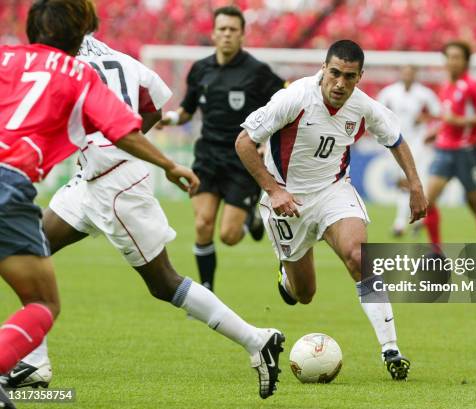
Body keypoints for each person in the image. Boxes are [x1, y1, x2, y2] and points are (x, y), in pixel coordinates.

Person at [4, 34, 285, 400]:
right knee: (31, 250)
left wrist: (117, 145)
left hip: (115, 186)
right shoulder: (113, 55)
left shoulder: (63, 64)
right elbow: (153, 102)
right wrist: (119, 138)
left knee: (164, 283)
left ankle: (257, 339)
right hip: (90, 180)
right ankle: (34, 363)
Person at [0, 1, 198, 407]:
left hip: (329, 198)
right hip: (18, 186)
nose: (341, 81)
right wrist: (169, 163)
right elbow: (127, 126)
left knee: (219, 233)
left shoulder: (7, 57)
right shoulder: (80, 75)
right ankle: (257, 336)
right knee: (43, 301)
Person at [235, 40, 428, 380]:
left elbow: (395, 139)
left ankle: (391, 349)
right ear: (324, 69)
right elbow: (244, 143)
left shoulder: (363, 106)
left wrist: (415, 184)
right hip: (287, 201)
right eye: (335, 73)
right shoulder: (294, 98)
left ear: (360, 77)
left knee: (358, 256)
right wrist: (274, 189)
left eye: (349, 77)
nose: (340, 83)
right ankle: (286, 274)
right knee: (303, 294)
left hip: (332, 191)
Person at [157, 6, 286, 291]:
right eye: (222, 29)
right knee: (203, 224)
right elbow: (188, 110)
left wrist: (267, 141)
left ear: (242, 35)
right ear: (214, 34)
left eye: (233, 30)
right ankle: (206, 293)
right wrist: (171, 118)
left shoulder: (257, 72)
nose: (227, 34)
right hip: (207, 157)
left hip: (242, 160)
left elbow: (286, 104)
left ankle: (250, 220)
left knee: (228, 235)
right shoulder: (200, 69)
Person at [422, 40, 476, 254]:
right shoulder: (446, 87)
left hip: (466, 152)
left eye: (457, 57)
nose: (452, 61)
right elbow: (448, 118)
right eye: (449, 57)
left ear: (466, 61)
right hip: (444, 150)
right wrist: (436, 131)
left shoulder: (473, 86)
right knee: (428, 201)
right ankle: (435, 250)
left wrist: (461, 122)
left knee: (473, 203)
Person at [377, 65, 440, 237]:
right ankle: (416, 218)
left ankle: (400, 222)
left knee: (411, 179)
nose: (407, 76)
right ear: (400, 75)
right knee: (401, 182)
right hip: (394, 140)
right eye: (404, 73)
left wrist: (425, 120)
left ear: (415, 75)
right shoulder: (389, 92)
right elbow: (376, 113)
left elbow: (438, 114)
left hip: (417, 141)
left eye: (410, 74)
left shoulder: (424, 94)